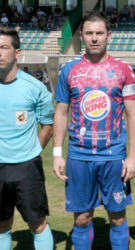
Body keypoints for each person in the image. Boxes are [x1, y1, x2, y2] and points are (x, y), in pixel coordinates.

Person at [53, 10, 135, 250]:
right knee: (82, 218)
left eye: (99, 33)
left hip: (114, 157)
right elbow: (61, 112)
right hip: (78, 157)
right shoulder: (68, 70)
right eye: (89, 33)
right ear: (81, 35)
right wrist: (57, 153)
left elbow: (133, 115)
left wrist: (132, 156)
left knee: (118, 216)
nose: (94, 38)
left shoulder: (124, 69)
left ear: (108, 36)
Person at [0, 26, 54, 250]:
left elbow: (48, 126)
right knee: (1, 224)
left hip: (27, 167)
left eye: (4, 47)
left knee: (37, 223)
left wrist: (31, 152)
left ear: (17, 53)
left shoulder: (35, 87)